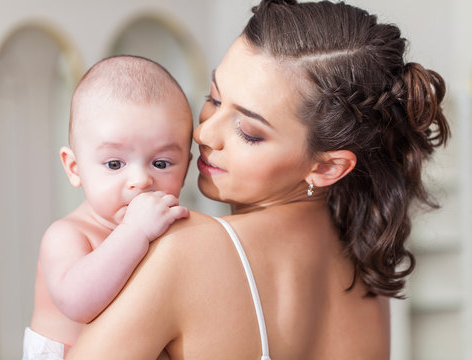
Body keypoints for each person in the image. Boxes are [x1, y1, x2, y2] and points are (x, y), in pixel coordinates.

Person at [67, 1, 450, 359]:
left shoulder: (185, 251)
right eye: (214, 99)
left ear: (327, 167)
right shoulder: (367, 278)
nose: (204, 135)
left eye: (249, 132)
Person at [23, 55, 193, 360]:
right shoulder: (67, 235)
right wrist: (134, 232)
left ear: (186, 167)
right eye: (115, 163)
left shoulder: (173, 232)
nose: (141, 180)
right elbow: (79, 303)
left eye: (161, 163)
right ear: (74, 168)